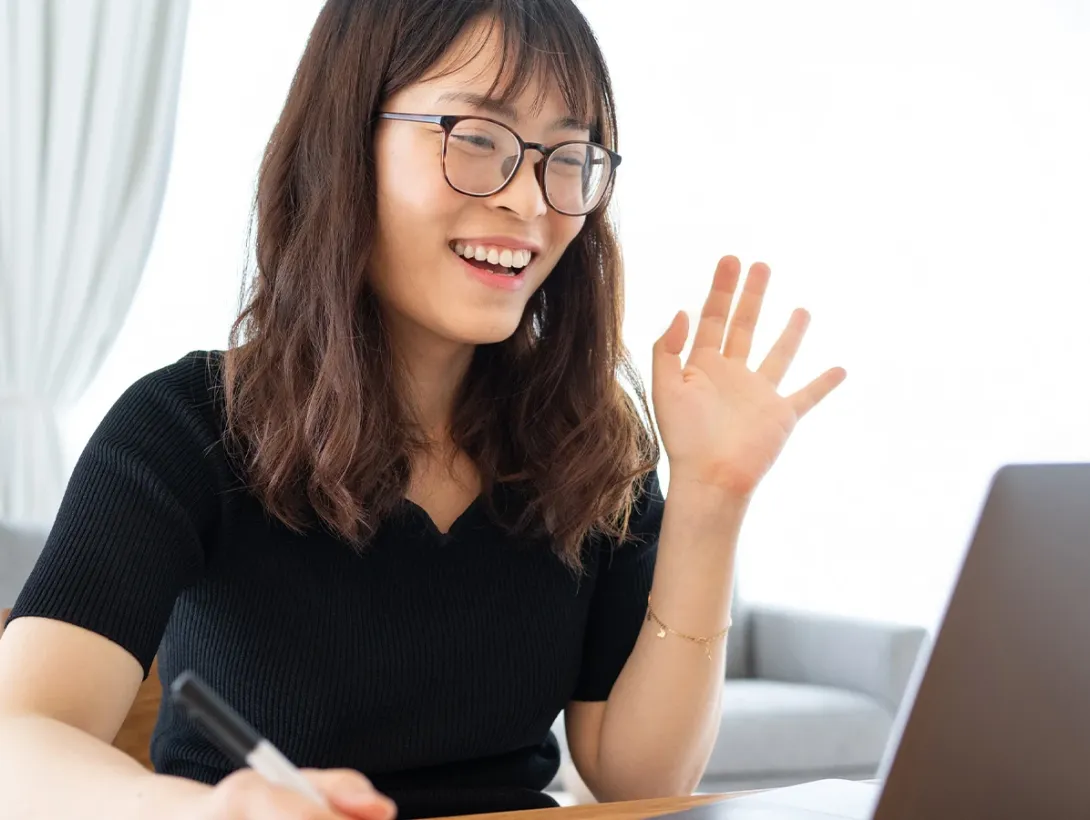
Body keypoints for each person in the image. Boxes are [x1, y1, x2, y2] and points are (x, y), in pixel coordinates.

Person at [0, 0, 846, 818]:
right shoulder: (185, 426)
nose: (531, 202)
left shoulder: (585, 442)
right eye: (476, 139)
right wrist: (206, 813)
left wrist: (713, 499)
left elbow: (637, 776)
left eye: (569, 155)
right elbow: (20, 740)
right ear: (346, 142)